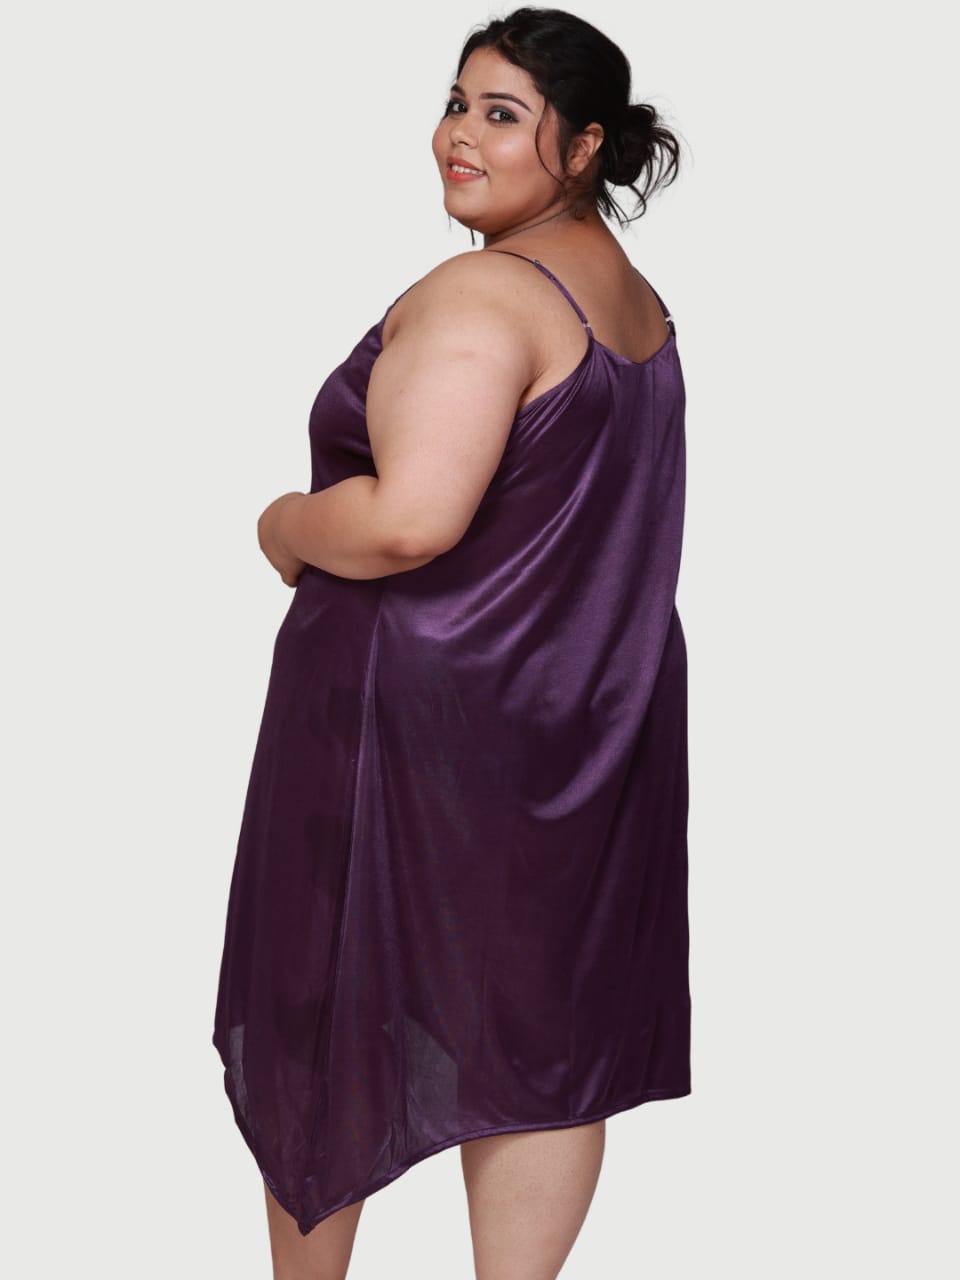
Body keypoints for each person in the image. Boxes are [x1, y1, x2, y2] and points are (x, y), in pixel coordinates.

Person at [212, 7, 689, 1278]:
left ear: (584, 147)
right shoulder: (633, 304)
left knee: (324, 1001)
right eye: (457, 103)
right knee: (546, 1026)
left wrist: (286, 523)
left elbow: (410, 519)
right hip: (586, 706)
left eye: (503, 115)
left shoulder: (485, 292)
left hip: (408, 713)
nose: (459, 137)